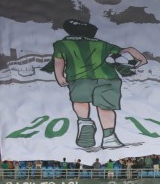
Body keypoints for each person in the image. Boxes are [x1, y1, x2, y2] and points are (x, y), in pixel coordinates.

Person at [49, 19, 147, 151]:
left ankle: (85, 121)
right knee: (106, 107)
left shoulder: (61, 44)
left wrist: (60, 77)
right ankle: (109, 138)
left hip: (79, 79)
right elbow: (128, 50)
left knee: (80, 101)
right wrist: (141, 60)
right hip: (108, 79)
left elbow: (59, 62)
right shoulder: (103, 44)